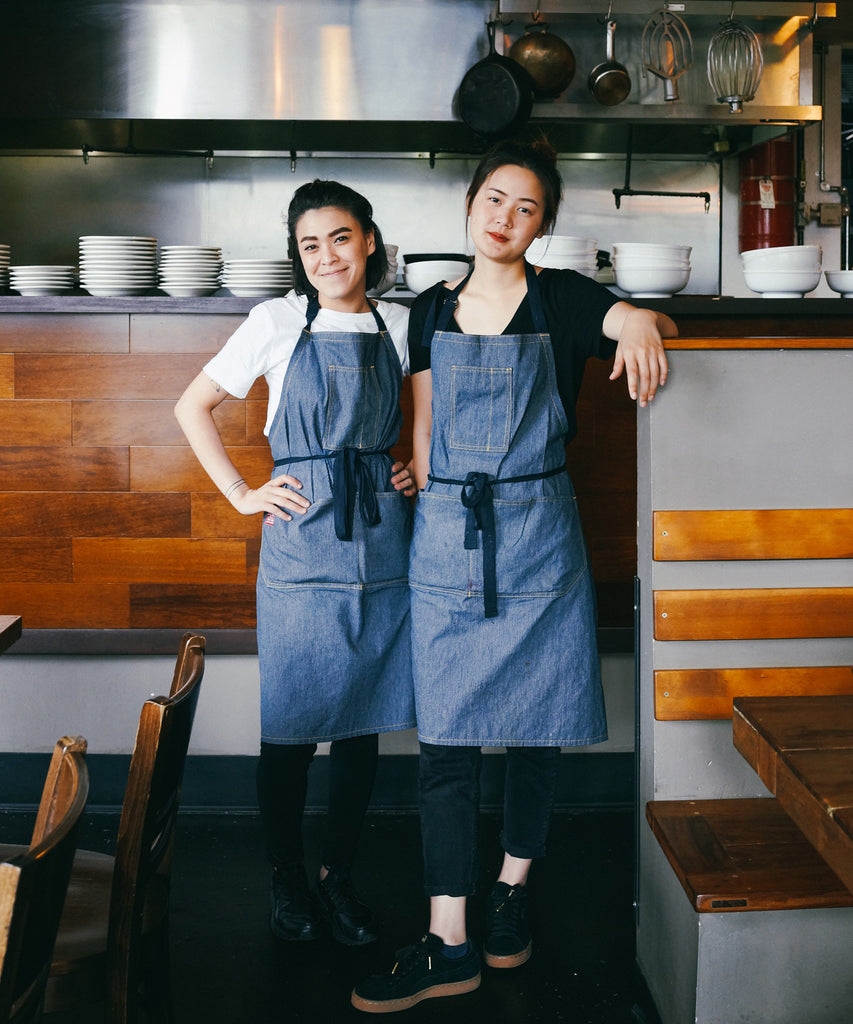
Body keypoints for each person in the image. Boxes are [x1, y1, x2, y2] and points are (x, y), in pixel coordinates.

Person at [351, 137, 677, 1012]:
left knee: (534, 734)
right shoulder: (426, 310)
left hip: (538, 536)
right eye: (495, 199)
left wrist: (640, 319)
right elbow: (420, 420)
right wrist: (420, 477)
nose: (505, 218)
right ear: (470, 206)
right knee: (445, 746)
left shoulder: (563, 298)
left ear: (542, 226)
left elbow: (630, 324)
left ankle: (510, 892)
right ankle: (448, 934)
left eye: (526, 208)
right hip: (449, 534)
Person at [175, 179, 416, 948]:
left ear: (368, 241)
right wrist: (242, 493)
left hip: (382, 539)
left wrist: (411, 464)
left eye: (340, 238)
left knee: (360, 729)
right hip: (303, 539)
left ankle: (335, 876)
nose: (326, 257)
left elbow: (435, 415)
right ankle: (285, 876)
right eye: (310, 244)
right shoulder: (276, 319)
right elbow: (191, 406)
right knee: (287, 726)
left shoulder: (402, 323)